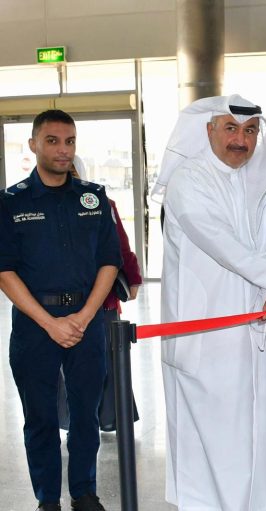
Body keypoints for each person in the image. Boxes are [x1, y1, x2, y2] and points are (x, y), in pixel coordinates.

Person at [157, 94, 266, 511]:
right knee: (213, 446)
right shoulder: (188, 180)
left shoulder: (252, 183)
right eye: (230, 128)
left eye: (250, 131)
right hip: (203, 337)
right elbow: (224, 246)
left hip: (247, 335)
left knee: (251, 439)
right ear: (209, 130)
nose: (241, 140)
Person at [0, 109, 122, 511]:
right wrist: (49, 323)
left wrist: (84, 318)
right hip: (35, 325)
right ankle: (48, 499)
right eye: (52, 141)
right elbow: (4, 271)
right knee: (40, 418)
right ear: (33, 144)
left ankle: (84, 492)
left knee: (86, 415)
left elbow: (110, 261)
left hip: (87, 321)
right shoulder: (11, 201)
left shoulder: (93, 196)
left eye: (69, 141)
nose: (63, 149)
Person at [58, 156, 143, 432]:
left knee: (107, 361)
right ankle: (75, 420)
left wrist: (133, 278)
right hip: (58, 306)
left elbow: (120, 246)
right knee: (67, 365)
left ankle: (108, 417)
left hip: (101, 301)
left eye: (72, 169)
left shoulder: (100, 203)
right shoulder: (43, 207)